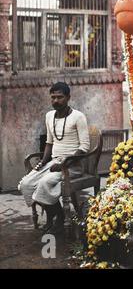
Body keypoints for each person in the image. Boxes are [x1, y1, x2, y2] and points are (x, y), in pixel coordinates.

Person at [19, 82, 90, 234]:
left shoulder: (78, 117)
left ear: (68, 97)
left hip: (72, 166)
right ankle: (57, 213)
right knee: (26, 183)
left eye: (60, 97)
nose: (56, 101)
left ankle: (55, 219)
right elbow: (49, 143)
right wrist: (43, 162)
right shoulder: (49, 116)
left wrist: (65, 163)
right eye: (53, 98)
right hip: (53, 163)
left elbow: (84, 147)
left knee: (45, 182)